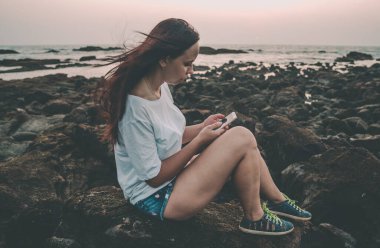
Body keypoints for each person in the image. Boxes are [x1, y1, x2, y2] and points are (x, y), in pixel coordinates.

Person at [95, 18, 311, 236]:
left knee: (243, 145)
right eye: (187, 63)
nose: (191, 71)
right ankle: (256, 216)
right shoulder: (134, 109)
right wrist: (199, 143)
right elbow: (154, 177)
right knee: (242, 137)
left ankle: (275, 201)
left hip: (172, 180)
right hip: (157, 198)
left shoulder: (160, 88)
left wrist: (202, 127)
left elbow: (169, 137)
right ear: (164, 60)